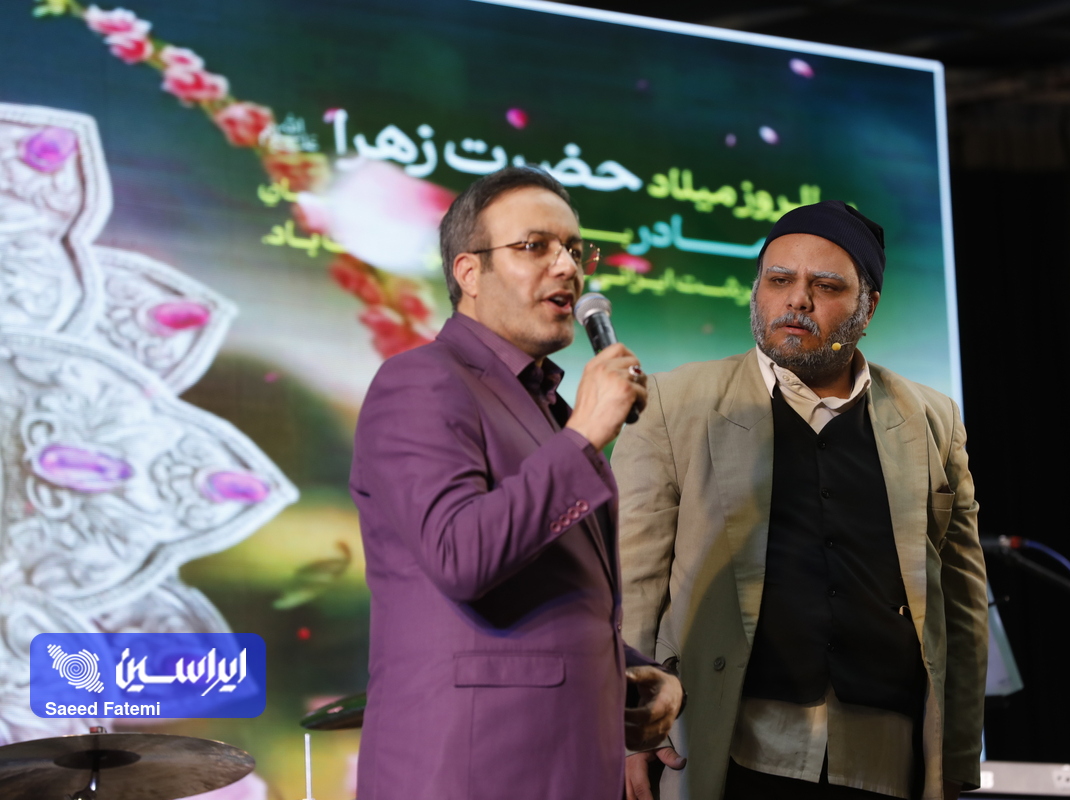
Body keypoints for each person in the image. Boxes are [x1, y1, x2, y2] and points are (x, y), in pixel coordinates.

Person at [612, 201, 988, 800]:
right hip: (725, 740)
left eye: (826, 286)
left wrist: (960, 753)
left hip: (883, 756)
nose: (797, 301)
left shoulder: (932, 419)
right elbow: (632, 582)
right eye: (779, 280)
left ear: (868, 308)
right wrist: (630, 730)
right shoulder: (672, 403)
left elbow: (963, 602)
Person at [351, 166, 684, 800]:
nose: (567, 267)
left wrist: (635, 671)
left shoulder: (546, 409)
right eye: (535, 246)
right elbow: (461, 556)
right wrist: (584, 436)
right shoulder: (420, 381)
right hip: (472, 774)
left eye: (574, 249)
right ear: (469, 273)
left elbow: (557, 597)